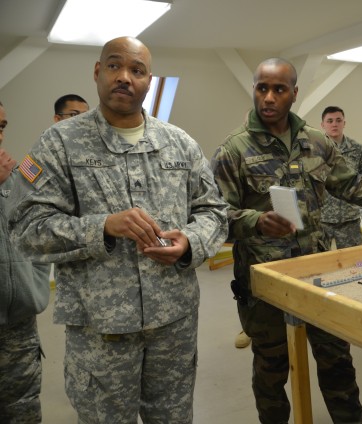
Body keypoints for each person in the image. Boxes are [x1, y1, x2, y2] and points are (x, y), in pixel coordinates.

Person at [210, 57, 362, 424]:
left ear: (294, 93)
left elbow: (352, 185)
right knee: (271, 368)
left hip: (317, 272)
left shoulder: (317, 143)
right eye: (262, 88)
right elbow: (215, 218)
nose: (269, 97)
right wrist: (257, 222)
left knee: (336, 358)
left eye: (279, 89)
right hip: (264, 278)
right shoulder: (233, 150)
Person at [8, 36, 229, 423]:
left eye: (137, 70)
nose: (124, 77)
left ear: (149, 81)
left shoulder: (180, 144)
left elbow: (214, 212)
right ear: (98, 72)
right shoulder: (59, 144)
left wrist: (190, 241)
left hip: (172, 324)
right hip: (101, 331)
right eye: (114, 66)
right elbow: (27, 229)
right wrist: (104, 227)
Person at [0, 100, 51, 423]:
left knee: (22, 411)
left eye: (1, 128)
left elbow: (49, 183)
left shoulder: (17, 170)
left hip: (18, 328)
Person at [320, 106, 362, 248]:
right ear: (322, 125)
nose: (334, 124)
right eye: (329, 121)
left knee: (354, 263)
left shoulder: (357, 150)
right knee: (319, 264)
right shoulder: (315, 149)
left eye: (338, 120)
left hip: (349, 219)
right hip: (322, 219)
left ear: (344, 123)